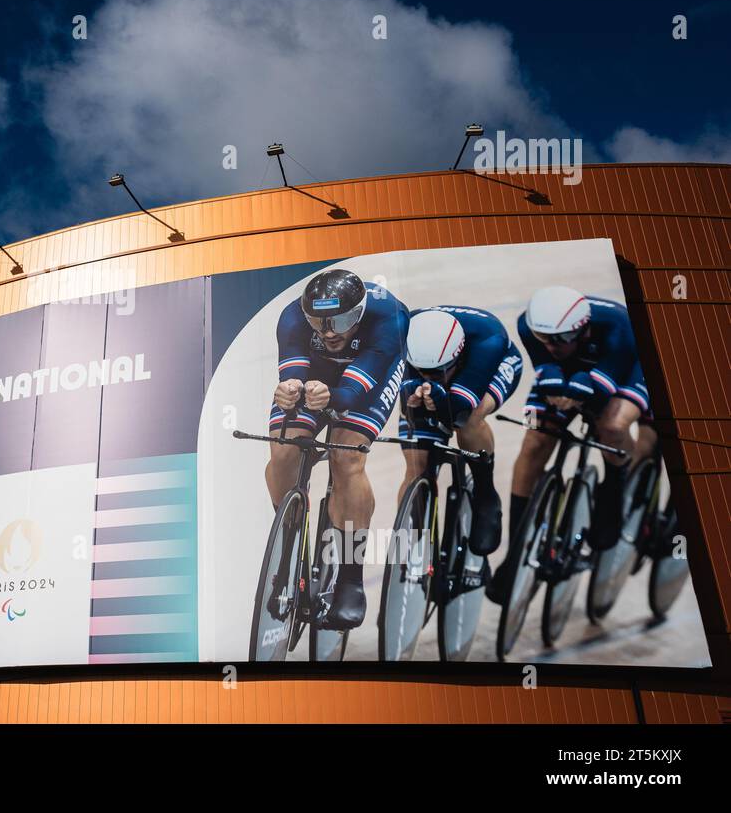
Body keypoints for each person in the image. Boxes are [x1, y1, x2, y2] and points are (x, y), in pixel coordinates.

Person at [488, 285, 657, 603]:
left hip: (624, 368)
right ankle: (516, 550)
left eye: (561, 338)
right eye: (544, 338)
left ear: (584, 329)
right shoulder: (528, 325)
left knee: (610, 425)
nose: (551, 345)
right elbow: (547, 367)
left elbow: (601, 390)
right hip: (573, 370)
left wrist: (577, 395)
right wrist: (556, 386)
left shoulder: (619, 326)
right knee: (535, 440)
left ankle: (615, 489)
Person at [266, 268, 409, 629]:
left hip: (366, 380)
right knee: (284, 450)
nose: (328, 331)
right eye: (318, 321)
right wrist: (288, 389)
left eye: (340, 321)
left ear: (359, 313)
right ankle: (289, 545)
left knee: (347, 459)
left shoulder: (388, 317)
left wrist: (332, 397)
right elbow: (293, 374)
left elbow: (348, 395)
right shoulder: (292, 318)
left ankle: (350, 579)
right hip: (318, 373)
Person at [396, 306, 523, 556]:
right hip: (432, 361)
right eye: (422, 372)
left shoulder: (488, 341)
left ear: (458, 356)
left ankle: (486, 494)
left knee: (471, 419)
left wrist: (440, 402)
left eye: (435, 373)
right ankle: (408, 540)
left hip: (490, 367)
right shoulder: (404, 335)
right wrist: (414, 394)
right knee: (417, 465)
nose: (428, 377)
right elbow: (404, 404)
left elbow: (460, 411)